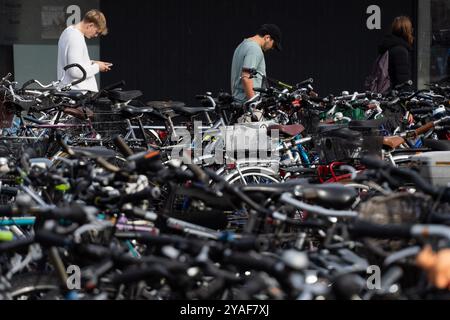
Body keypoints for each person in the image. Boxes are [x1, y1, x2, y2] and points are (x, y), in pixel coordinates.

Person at [57, 9, 111, 92]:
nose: (96, 35)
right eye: (96, 32)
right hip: (77, 95)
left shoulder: (68, 32)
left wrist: (92, 63)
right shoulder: (76, 37)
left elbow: (73, 63)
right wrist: (97, 67)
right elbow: (75, 71)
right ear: (90, 25)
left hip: (71, 92)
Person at [231, 24, 282, 103]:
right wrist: (254, 105)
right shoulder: (254, 49)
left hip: (238, 102)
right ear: (267, 38)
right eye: (274, 44)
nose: (272, 48)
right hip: (247, 106)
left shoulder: (241, 46)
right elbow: (246, 78)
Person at [378, 16, 414, 89]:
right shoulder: (400, 51)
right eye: (410, 29)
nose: (412, 31)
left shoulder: (389, 46)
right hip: (395, 95)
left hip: (388, 93)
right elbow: (403, 81)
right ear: (407, 31)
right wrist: (407, 96)